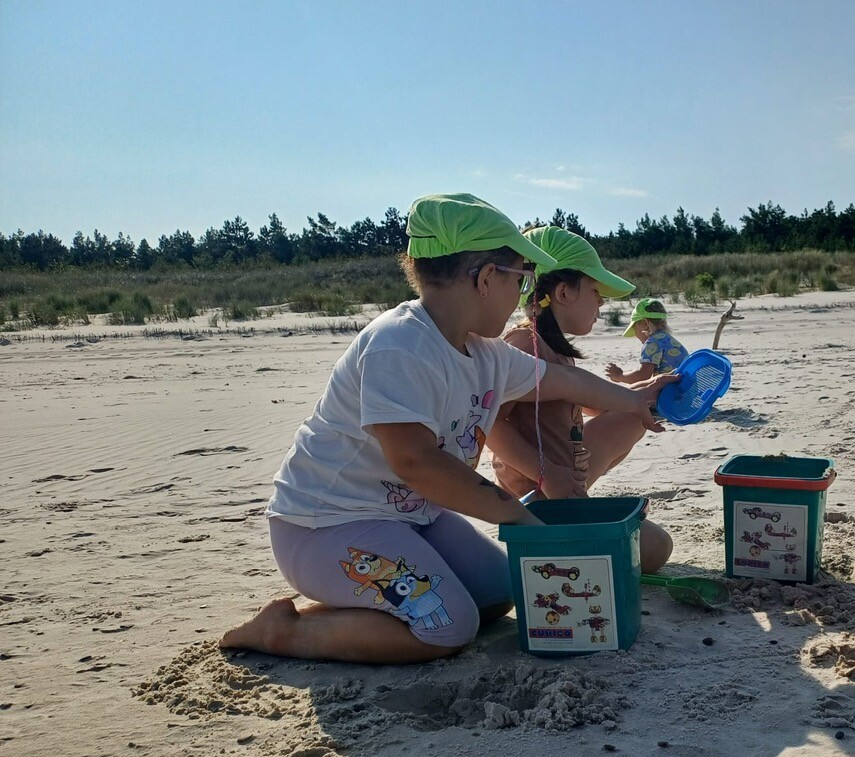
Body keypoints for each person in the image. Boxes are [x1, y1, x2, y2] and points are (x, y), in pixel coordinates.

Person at [221, 194, 671, 664]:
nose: (521, 294)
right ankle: (283, 631)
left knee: (499, 593)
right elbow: (415, 462)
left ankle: (365, 604)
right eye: (520, 278)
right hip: (326, 524)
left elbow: (563, 381)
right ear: (487, 278)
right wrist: (514, 515)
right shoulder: (400, 344)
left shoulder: (486, 352)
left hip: (412, 516)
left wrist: (634, 400)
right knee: (446, 625)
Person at [487, 225, 674, 572]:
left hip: (562, 472)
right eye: (595, 290)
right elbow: (490, 425)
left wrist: (646, 391)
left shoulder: (556, 349)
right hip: (533, 490)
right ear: (563, 291)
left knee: (634, 416)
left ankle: (576, 500)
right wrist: (546, 474)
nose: (601, 303)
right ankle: (560, 518)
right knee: (656, 548)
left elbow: (592, 405)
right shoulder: (525, 344)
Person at [605, 298, 688, 382]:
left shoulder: (652, 343)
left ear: (645, 324)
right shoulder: (669, 340)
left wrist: (620, 376)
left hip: (671, 388)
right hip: (684, 386)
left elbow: (643, 375)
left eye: (634, 328)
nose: (635, 335)